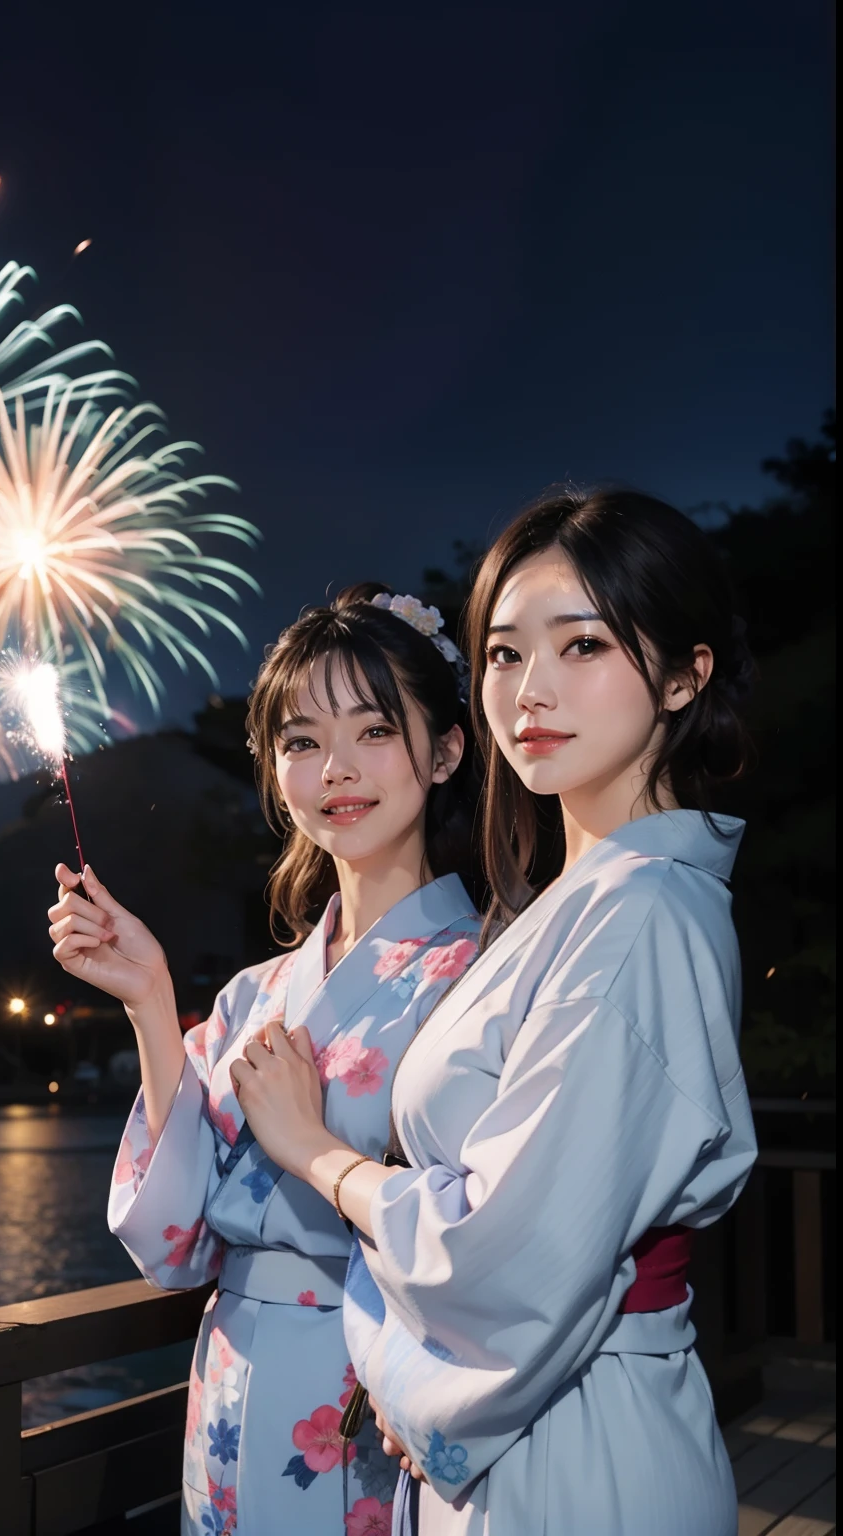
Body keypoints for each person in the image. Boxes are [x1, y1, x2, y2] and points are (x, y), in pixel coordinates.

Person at [232, 490, 758, 1536]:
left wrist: (318, 1156)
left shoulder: (640, 912)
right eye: (506, 655)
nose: (532, 692)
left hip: (581, 1450)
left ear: (684, 676)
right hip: (539, 1419)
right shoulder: (570, 905)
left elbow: (504, 1256)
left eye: (584, 646)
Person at [47, 583, 483, 1536]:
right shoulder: (252, 995)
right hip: (232, 1383)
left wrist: (311, 1141)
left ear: (447, 749)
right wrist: (154, 1005)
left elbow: (495, 1235)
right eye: (300, 741)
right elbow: (174, 1245)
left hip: (378, 1393)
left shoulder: (487, 972)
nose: (336, 769)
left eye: (374, 730)